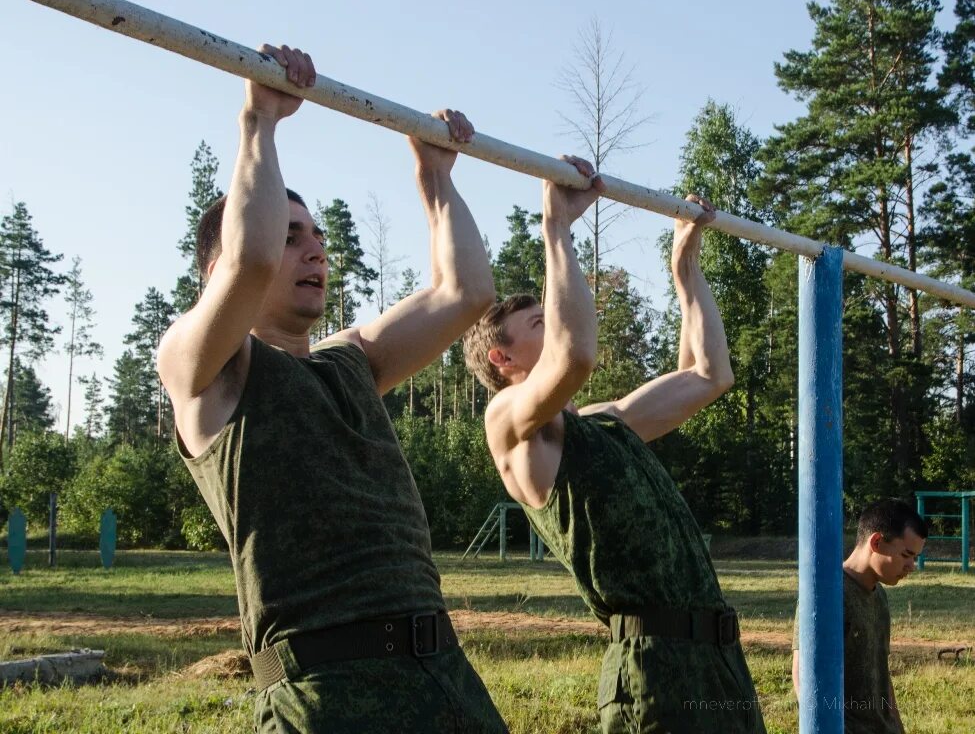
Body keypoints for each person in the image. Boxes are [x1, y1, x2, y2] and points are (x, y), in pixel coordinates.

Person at [158, 42, 508, 733]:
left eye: (317, 235)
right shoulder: (203, 371)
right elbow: (250, 258)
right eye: (294, 236)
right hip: (327, 694)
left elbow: (466, 290)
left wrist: (436, 178)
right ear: (214, 271)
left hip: (443, 679)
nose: (315, 249)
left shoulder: (351, 361)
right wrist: (259, 122)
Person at [462, 156, 765, 733]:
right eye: (537, 324)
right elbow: (574, 355)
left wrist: (686, 268)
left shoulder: (606, 421)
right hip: (654, 668)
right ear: (501, 360)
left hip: (721, 658)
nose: (553, 324)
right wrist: (556, 228)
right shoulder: (509, 423)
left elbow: (709, 374)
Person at [792, 499, 928, 733]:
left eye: (914, 557)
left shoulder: (880, 596)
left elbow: (881, 676)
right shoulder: (827, 594)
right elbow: (803, 676)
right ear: (876, 541)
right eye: (906, 554)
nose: (911, 566)